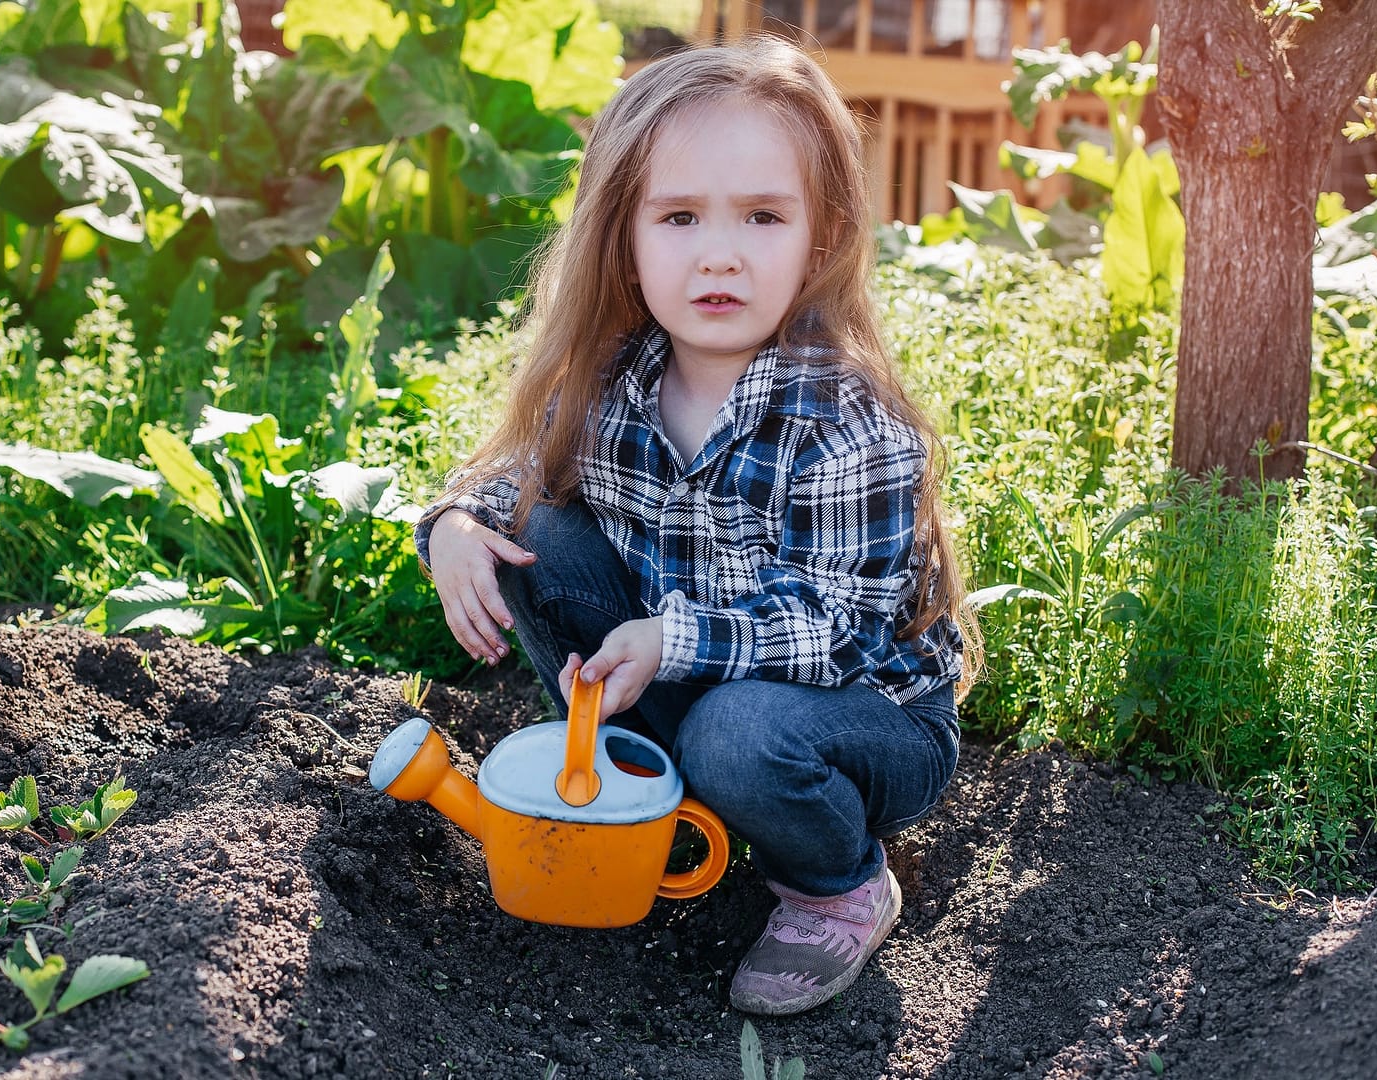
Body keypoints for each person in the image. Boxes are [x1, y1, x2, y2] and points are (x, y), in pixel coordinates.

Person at [413, 36, 975, 1017]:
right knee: (538, 535)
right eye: (677, 217)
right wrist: (456, 522)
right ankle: (635, 790)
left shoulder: (844, 423)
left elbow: (832, 628)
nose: (718, 252)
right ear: (622, 236)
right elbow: (512, 471)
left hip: (854, 721)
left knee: (737, 730)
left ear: (821, 233)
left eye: (761, 216)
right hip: (692, 682)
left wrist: (670, 639)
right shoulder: (617, 378)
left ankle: (836, 880)